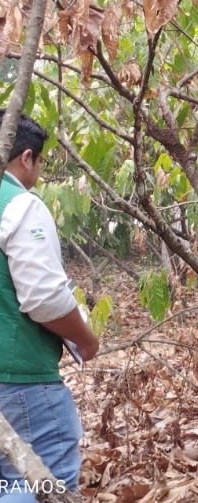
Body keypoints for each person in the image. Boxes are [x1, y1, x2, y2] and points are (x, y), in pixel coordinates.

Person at [0, 111, 98, 500]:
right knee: (44, 481)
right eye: (39, 163)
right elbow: (43, 298)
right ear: (27, 158)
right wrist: (86, 341)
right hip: (20, 379)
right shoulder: (20, 205)